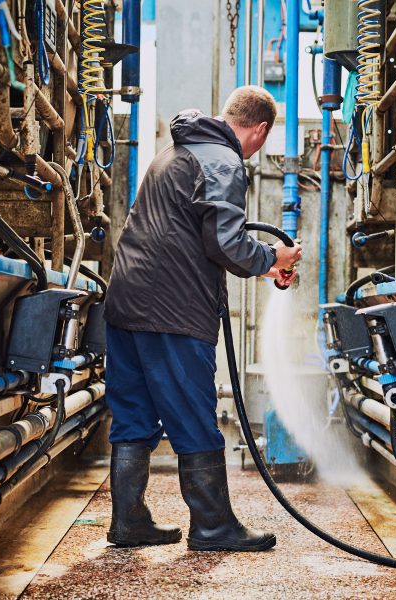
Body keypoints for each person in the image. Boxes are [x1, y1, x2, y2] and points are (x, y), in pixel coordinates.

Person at [103, 85, 303, 552]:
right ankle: (213, 526)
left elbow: (201, 235)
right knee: (194, 415)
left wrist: (265, 263)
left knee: (132, 415)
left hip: (127, 301)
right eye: (262, 141)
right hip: (172, 309)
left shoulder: (173, 152)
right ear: (260, 129)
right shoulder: (224, 162)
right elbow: (226, 244)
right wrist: (274, 253)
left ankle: (128, 522)